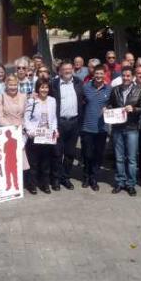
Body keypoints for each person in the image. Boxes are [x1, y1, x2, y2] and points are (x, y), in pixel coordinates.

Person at [107, 66, 141, 196]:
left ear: (133, 77)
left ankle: (131, 184)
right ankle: (120, 182)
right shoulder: (115, 90)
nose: (126, 78)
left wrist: (134, 109)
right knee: (119, 158)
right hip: (118, 128)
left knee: (131, 159)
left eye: (128, 76)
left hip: (132, 129)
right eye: (124, 76)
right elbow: (110, 105)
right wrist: (106, 109)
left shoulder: (139, 91)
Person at [49, 61, 84, 191]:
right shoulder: (54, 84)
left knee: (70, 153)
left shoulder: (79, 82)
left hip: (74, 122)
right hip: (60, 123)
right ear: (60, 71)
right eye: (65, 69)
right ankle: (56, 179)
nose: (68, 71)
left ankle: (65, 177)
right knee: (57, 153)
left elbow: (84, 100)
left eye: (70, 68)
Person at [24, 78, 58, 194]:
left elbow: (53, 119)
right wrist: (30, 132)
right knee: (33, 163)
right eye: (42, 87)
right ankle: (32, 185)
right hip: (35, 136)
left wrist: (55, 130)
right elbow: (27, 118)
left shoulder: (52, 100)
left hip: (47, 136)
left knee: (46, 162)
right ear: (37, 88)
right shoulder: (31, 101)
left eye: (46, 87)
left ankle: (45, 184)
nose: (44, 89)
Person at [80, 65, 111, 191]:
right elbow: (80, 102)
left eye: (101, 74)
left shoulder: (109, 89)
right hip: (87, 127)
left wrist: (108, 108)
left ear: (104, 75)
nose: (99, 76)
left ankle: (94, 178)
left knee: (98, 154)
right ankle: (86, 176)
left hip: (102, 128)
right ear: (93, 74)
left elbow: (112, 104)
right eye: (96, 73)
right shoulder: (86, 87)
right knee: (87, 154)